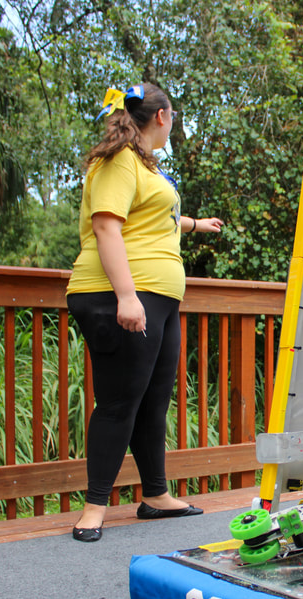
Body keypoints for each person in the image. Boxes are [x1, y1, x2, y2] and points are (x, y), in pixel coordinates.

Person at [66, 83, 223, 542]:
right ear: (162, 117)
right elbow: (106, 227)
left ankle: (155, 495)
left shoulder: (144, 167)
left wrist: (196, 224)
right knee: (119, 401)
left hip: (159, 297)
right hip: (122, 294)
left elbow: (155, 218)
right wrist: (127, 297)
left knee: (154, 400)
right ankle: (94, 507)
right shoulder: (117, 160)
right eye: (174, 117)